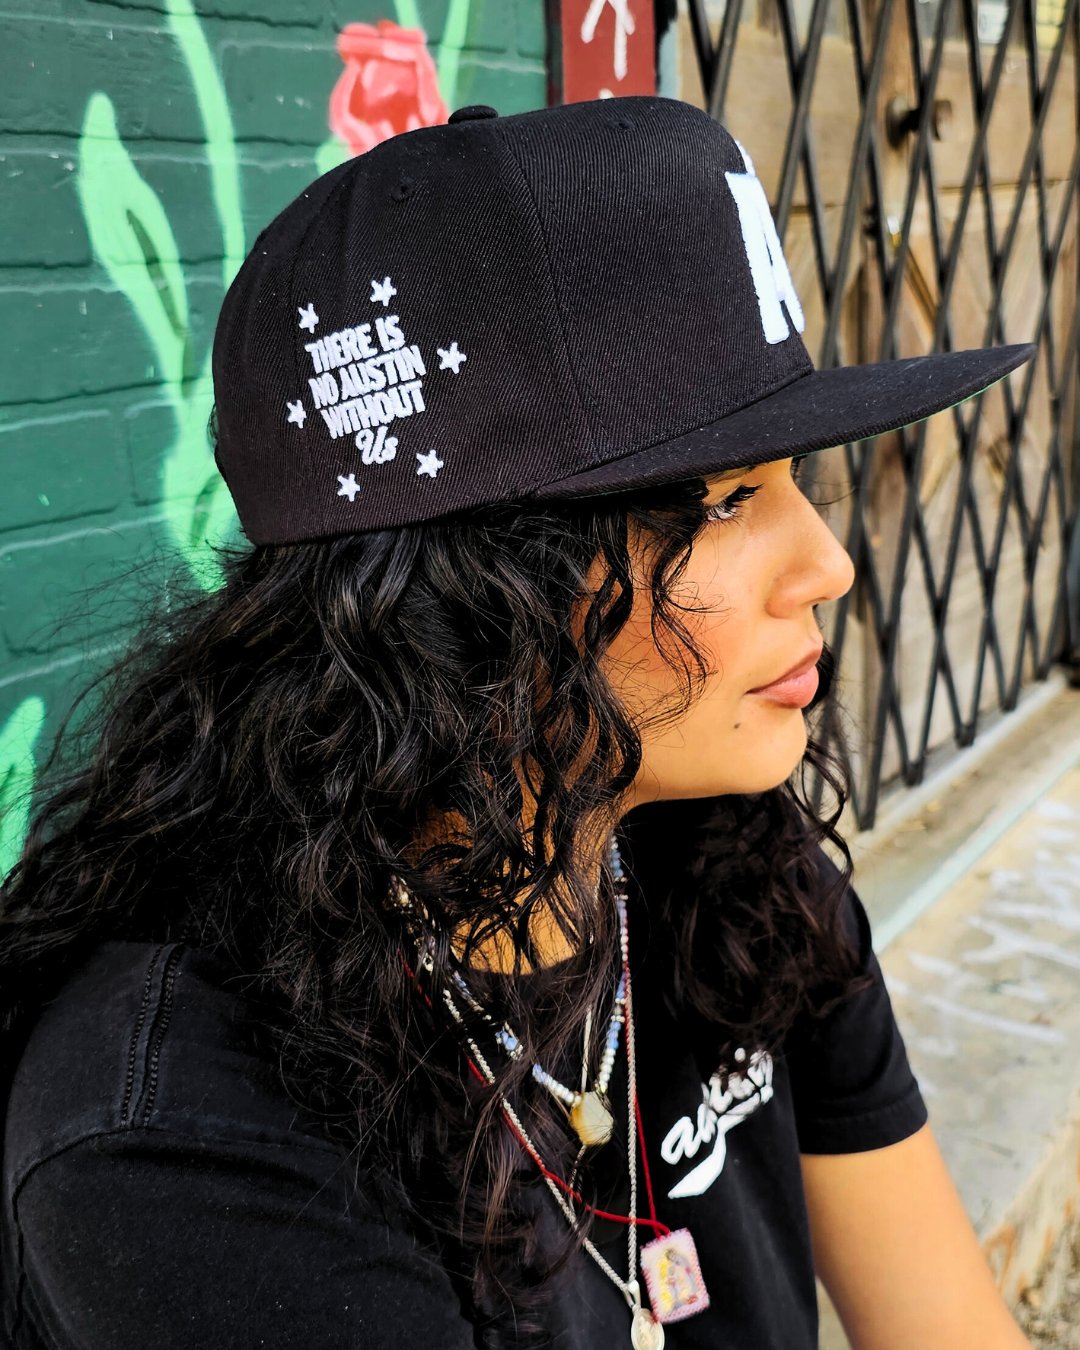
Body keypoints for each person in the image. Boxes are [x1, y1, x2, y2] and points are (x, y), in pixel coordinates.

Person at [0, 94, 1034, 1350]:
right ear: (465, 598)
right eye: (721, 502)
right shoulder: (189, 1142)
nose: (827, 563)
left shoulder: (728, 867)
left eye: (793, 478)